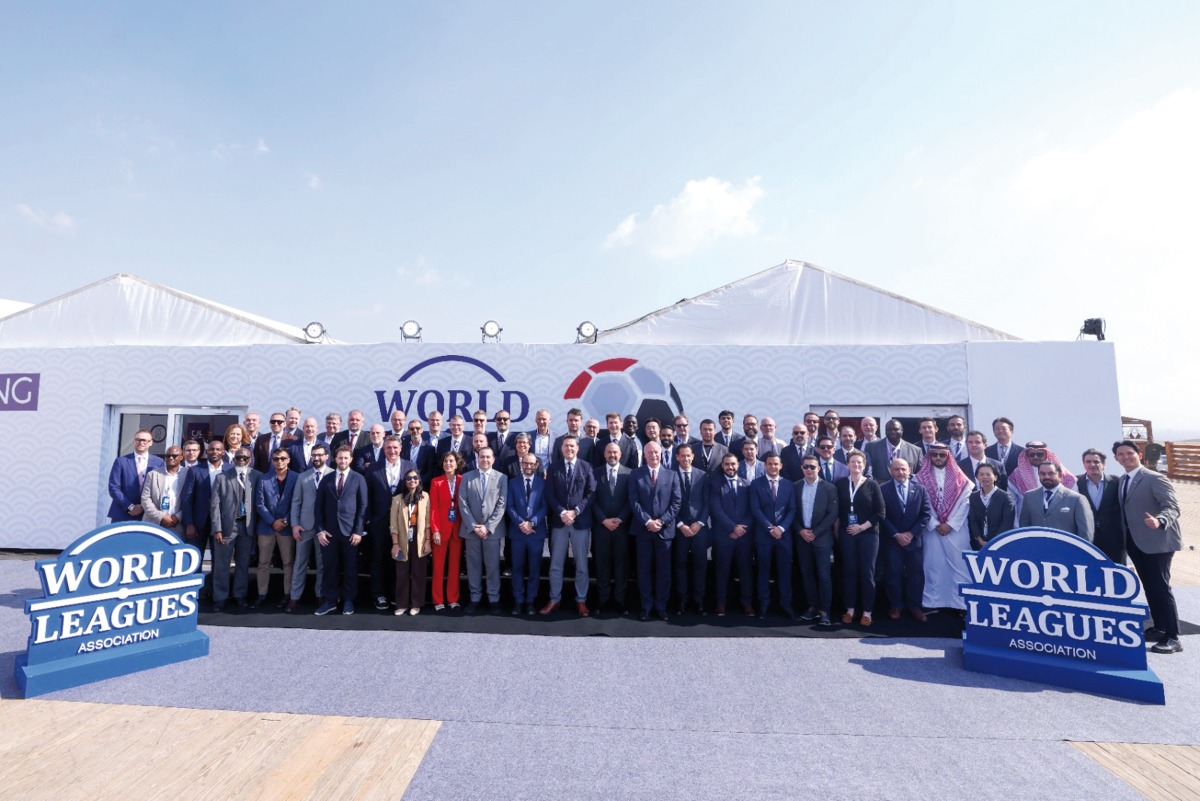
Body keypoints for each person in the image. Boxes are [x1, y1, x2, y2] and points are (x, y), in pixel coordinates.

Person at [1113, 440, 1183, 654]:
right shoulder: (1123, 480)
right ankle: (1159, 628)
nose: (1125, 457)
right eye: (1121, 454)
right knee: (1150, 586)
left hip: (1158, 541)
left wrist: (1160, 520)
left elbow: (1172, 507)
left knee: (1161, 587)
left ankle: (1173, 637)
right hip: (1136, 542)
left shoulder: (1155, 478)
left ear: (1139, 455)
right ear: (1116, 458)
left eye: (1129, 453)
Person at [542, 435, 596, 617]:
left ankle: (581, 601)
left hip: (580, 523)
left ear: (577, 448)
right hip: (559, 523)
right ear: (561, 448)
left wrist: (575, 511)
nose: (569, 449)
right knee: (556, 565)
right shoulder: (554, 467)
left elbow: (591, 493)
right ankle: (554, 600)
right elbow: (549, 494)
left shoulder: (586, 467)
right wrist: (562, 512)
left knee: (581, 565)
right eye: (566, 446)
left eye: (572, 446)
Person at [914, 444, 973, 612]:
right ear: (930, 457)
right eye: (935, 455)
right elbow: (922, 504)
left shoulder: (962, 479)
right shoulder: (920, 478)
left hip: (956, 529)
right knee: (933, 566)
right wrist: (934, 523)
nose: (938, 458)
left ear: (948, 456)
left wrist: (950, 524)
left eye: (942, 454)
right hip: (932, 530)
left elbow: (966, 504)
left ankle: (961, 604)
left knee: (959, 566)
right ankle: (933, 602)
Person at [629, 441, 682, 621]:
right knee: (644, 570)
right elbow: (633, 502)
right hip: (643, 531)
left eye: (656, 452)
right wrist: (647, 521)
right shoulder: (636, 474)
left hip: (664, 532)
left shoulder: (672, 475)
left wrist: (661, 521)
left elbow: (676, 503)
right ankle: (646, 606)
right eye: (650, 452)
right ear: (645, 455)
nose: (653, 455)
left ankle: (661, 606)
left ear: (661, 454)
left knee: (663, 571)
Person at [314, 446, 369, 616]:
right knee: (330, 568)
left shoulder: (359, 479)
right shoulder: (327, 479)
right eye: (340, 458)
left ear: (351, 459)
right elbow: (318, 508)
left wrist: (358, 531)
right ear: (334, 459)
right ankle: (330, 600)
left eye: (346, 458)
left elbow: (363, 506)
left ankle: (348, 601)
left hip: (350, 533)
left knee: (350, 568)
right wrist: (320, 530)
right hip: (329, 533)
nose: (343, 461)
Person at [364, 435, 417, 610]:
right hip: (379, 522)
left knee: (400, 559)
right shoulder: (373, 468)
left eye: (395, 447)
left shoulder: (410, 466)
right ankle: (378, 595)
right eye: (388, 448)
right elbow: (367, 497)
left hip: (402, 522)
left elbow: (416, 494)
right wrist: (369, 519)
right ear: (384, 449)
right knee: (378, 558)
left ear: (401, 448)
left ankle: (397, 594)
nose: (392, 451)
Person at [834, 450, 885, 626]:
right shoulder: (840, 484)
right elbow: (837, 512)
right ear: (847, 464)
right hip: (847, 534)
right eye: (853, 462)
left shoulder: (872, 485)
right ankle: (850, 609)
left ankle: (867, 612)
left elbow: (881, 513)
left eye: (859, 462)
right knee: (849, 571)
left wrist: (861, 527)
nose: (856, 465)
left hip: (868, 534)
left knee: (867, 572)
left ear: (864, 465)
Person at [880, 457, 930, 622]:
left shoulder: (921, 489)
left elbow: (925, 514)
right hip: (892, 540)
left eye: (903, 469)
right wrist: (896, 534)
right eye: (896, 469)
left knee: (916, 575)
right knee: (893, 574)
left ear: (909, 470)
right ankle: (896, 606)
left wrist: (911, 534)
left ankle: (915, 607)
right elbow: (882, 516)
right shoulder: (883, 489)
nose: (900, 472)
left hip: (913, 541)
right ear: (890, 471)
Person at [210, 447, 261, 611]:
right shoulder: (222, 477)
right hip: (226, 527)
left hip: (247, 526)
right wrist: (217, 528)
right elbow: (214, 505)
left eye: (245, 458)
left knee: (243, 563)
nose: (241, 460)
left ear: (250, 459)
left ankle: (240, 595)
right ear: (233, 459)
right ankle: (220, 597)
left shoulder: (257, 476)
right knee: (221, 564)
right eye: (238, 457)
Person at [458, 447, 507, 613]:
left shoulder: (501, 478)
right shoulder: (467, 477)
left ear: (493, 459)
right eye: (481, 457)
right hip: (471, 531)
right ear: (477, 459)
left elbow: (501, 505)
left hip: (491, 531)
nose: (484, 460)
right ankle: (475, 597)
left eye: (488, 457)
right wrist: (473, 526)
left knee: (492, 566)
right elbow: (462, 503)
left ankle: (494, 598)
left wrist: (488, 527)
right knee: (473, 566)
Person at [793, 453, 839, 626]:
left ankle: (824, 611)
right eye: (806, 466)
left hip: (822, 539)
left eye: (813, 466)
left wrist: (815, 532)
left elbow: (832, 514)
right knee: (807, 574)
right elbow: (792, 512)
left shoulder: (829, 488)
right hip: (802, 538)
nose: (809, 469)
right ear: (802, 468)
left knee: (824, 575)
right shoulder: (795, 486)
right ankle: (812, 607)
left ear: (819, 468)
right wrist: (800, 531)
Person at [750, 453, 796, 619]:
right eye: (770, 464)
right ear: (765, 465)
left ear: (781, 465)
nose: (773, 467)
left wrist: (781, 528)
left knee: (785, 572)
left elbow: (792, 510)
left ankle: (786, 604)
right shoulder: (756, 484)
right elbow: (755, 509)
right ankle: (764, 604)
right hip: (764, 535)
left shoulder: (789, 485)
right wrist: (770, 528)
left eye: (776, 464)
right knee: (763, 571)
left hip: (783, 536)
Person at [288, 443, 331, 611]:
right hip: (304, 527)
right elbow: (296, 502)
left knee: (322, 564)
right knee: (300, 563)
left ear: (327, 456)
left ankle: (320, 595)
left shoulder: (333, 475)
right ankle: (294, 597)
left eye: (320, 455)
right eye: (314, 455)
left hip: (324, 528)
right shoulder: (302, 476)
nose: (317, 458)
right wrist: (294, 524)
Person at [253, 447, 298, 607]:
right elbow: (259, 504)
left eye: (283, 458)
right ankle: (262, 594)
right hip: (266, 527)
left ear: (288, 460)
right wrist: (272, 521)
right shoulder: (264, 479)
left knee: (288, 563)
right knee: (263, 563)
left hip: (286, 527)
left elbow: (296, 503)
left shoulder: (296, 478)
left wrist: (284, 521)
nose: (279, 462)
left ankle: (288, 594)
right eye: (276, 459)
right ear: (272, 461)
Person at [592, 442, 633, 614]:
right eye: (609, 452)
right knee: (602, 565)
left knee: (621, 566)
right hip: (601, 528)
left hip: (621, 528)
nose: (612, 455)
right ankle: (602, 600)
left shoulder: (630, 474)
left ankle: (620, 601)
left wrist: (621, 519)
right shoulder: (595, 473)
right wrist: (603, 520)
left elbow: (632, 500)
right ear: (604, 454)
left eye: (615, 452)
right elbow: (591, 499)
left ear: (620, 454)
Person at [671, 444, 710, 616]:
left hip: (699, 529)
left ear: (693, 456)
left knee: (700, 566)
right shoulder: (670, 475)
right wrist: (680, 524)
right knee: (680, 566)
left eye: (688, 456)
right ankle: (681, 601)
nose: (685, 459)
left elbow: (707, 502)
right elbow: (669, 503)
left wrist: (700, 522)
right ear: (677, 457)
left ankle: (699, 601)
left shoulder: (702, 476)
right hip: (679, 530)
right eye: (682, 456)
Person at [507, 454, 548, 615]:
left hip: (535, 533)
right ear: (521, 464)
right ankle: (518, 601)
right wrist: (521, 523)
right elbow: (509, 506)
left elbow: (545, 506)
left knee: (534, 569)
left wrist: (532, 522)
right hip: (517, 532)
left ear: (537, 465)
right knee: (517, 568)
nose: (528, 466)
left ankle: (531, 601)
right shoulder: (512, 483)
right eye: (525, 463)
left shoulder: (543, 483)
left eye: (531, 463)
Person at [180, 440, 227, 578]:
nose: (215, 452)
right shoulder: (195, 470)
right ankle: (194, 592)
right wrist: (189, 523)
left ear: (223, 452)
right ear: (206, 452)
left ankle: (214, 593)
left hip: (221, 522)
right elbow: (187, 498)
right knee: (195, 557)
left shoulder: (231, 469)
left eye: (218, 449)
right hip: (198, 522)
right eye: (211, 449)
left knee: (219, 559)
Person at [391, 469, 432, 616]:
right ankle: (401, 604)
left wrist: (428, 541)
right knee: (402, 572)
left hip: (419, 537)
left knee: (418, 572)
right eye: (408, 478)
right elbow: (393, 524)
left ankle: (416, 604)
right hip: (402, 539)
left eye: (415, 478)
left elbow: (428, 521)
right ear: (405, 481)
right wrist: (395, 544)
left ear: (419, 480)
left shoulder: (425, 497)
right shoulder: (397, 499)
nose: (412, 480)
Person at [1018, 461, 1094, 539]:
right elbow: (1024, 528)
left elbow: (1085, 534)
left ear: (1060, 476)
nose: (1046, 477)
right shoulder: (1029, 497)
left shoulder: (1076, 499)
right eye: (1042, 474)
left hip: (1065, 549)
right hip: (1037, 548)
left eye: (1051, 473)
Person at [429, 451, 465, 611]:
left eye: (451, 461)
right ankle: (438, 600)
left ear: (457, 464)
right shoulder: (436, 482)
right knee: (438, 567)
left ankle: (453, 599)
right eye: (445, 461)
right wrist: (435, 530)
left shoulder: (462, 480)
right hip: (441, 530)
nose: (448, 464)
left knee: (455, 566)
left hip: (458, 530)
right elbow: (434, 509)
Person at [1008, 441, 1077, 519]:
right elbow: (1012, 502)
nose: (1036, 457)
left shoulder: (1062, 473)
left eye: (1039, 454)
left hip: (1057, 521)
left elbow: (1073, 497)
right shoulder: (1017, 475)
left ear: (1046, 454)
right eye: (1032, 455)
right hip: (1028, 521)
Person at [1080, 448, 1125, 564]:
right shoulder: (1076, 483)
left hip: (1114, 539)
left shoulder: (1117, 482)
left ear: (1103, 464)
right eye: (1088, 462)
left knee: (1116, 572)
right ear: (1084, 464)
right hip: (1089, 538)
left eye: (1096, 462)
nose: (1092, 464)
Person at [107, 429, 165, 522]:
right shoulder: (121, 461)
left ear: (151, 443)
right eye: (138, 440)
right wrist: (130, 506)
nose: (141, 442)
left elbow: (161, 489)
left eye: (144, 440)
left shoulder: (159, 462)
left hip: (149, 515)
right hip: (123, 513)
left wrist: (143, 507)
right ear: (134, 441)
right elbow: (114, 488)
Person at [967, 463, 1015, 550]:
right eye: (981, 474)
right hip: (979, 544)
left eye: (988, 474)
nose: (985, 477)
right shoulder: (973, 497)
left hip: (1000, 543)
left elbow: (1007, 523)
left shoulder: (1005, 497)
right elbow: (973, 521)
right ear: (977, 477)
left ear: (995, 477)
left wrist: (993, 542)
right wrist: (980, 540)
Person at [141, 445, 186, 537]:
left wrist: (177, 517)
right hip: (154, 522)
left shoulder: (188, 474)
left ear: (181, 457)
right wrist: (161, 517)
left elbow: (191, 500)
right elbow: (145, 499)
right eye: (168, 456)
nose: (170, 458)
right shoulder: (153, 474)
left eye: (174, 455)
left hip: (178, 524)